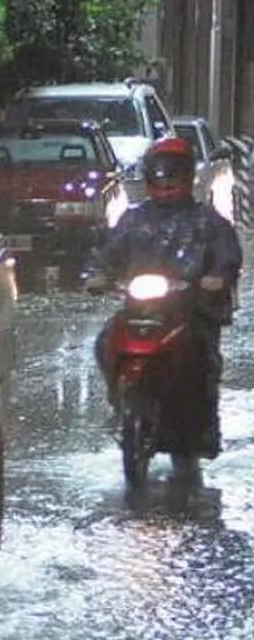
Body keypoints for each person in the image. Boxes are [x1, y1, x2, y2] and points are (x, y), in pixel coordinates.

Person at [86, 137, 242, 456]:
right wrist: (97, 275)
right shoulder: (135, 219)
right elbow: (108, 251)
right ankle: (121, 401)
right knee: (104, 343)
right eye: (159, 173)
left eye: (173, 172)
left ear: (187, 175)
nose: (166, 180)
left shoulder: (207, 220)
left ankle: (201, 430)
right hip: (140, 307)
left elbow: (227, 254)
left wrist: (216, 278)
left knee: (202, 361)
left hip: (190, 309)